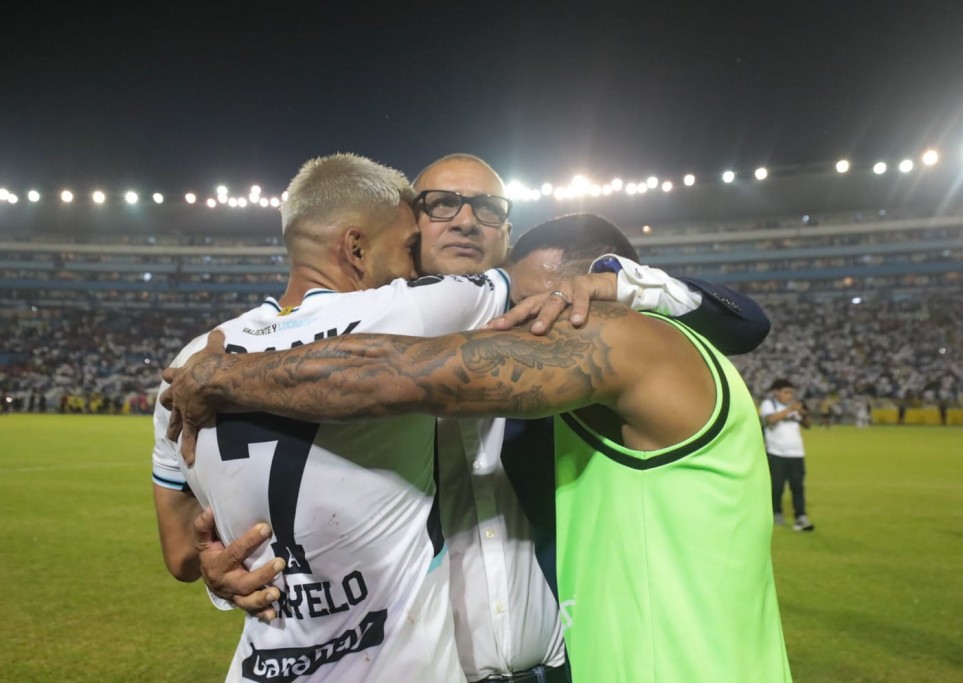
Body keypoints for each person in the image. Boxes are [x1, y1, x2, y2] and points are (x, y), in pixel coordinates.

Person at [186, 154, 772, 683]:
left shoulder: (547, 338)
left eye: (488, 208)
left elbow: (742, 321)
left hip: (559, 664)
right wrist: (228, 568)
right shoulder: (355, 342)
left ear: (507, 236)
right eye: (441, 204)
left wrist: (617, 282)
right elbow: (274, 510)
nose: (466, 219)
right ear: (409, 234)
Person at [152, 152, 525, 682]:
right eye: (408, 246)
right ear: (355, 248)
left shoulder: (190, 363)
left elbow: (180, 556)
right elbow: (527, 280)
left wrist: (218, 565)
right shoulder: (409, 311)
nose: (414, 264)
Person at [760, 378, 815, 531]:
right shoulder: (769, 404)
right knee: (777, 486)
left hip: (797, 453)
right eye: (786, 392)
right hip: (777, 452)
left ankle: (801, 516)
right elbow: (770, 419)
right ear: (776, 392)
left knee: (798, 486)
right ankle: (776, 512)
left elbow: (808, 425)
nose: (789, 395)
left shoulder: (794, 407)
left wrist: (804, 414)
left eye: (791, 392)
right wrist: (790, 410)